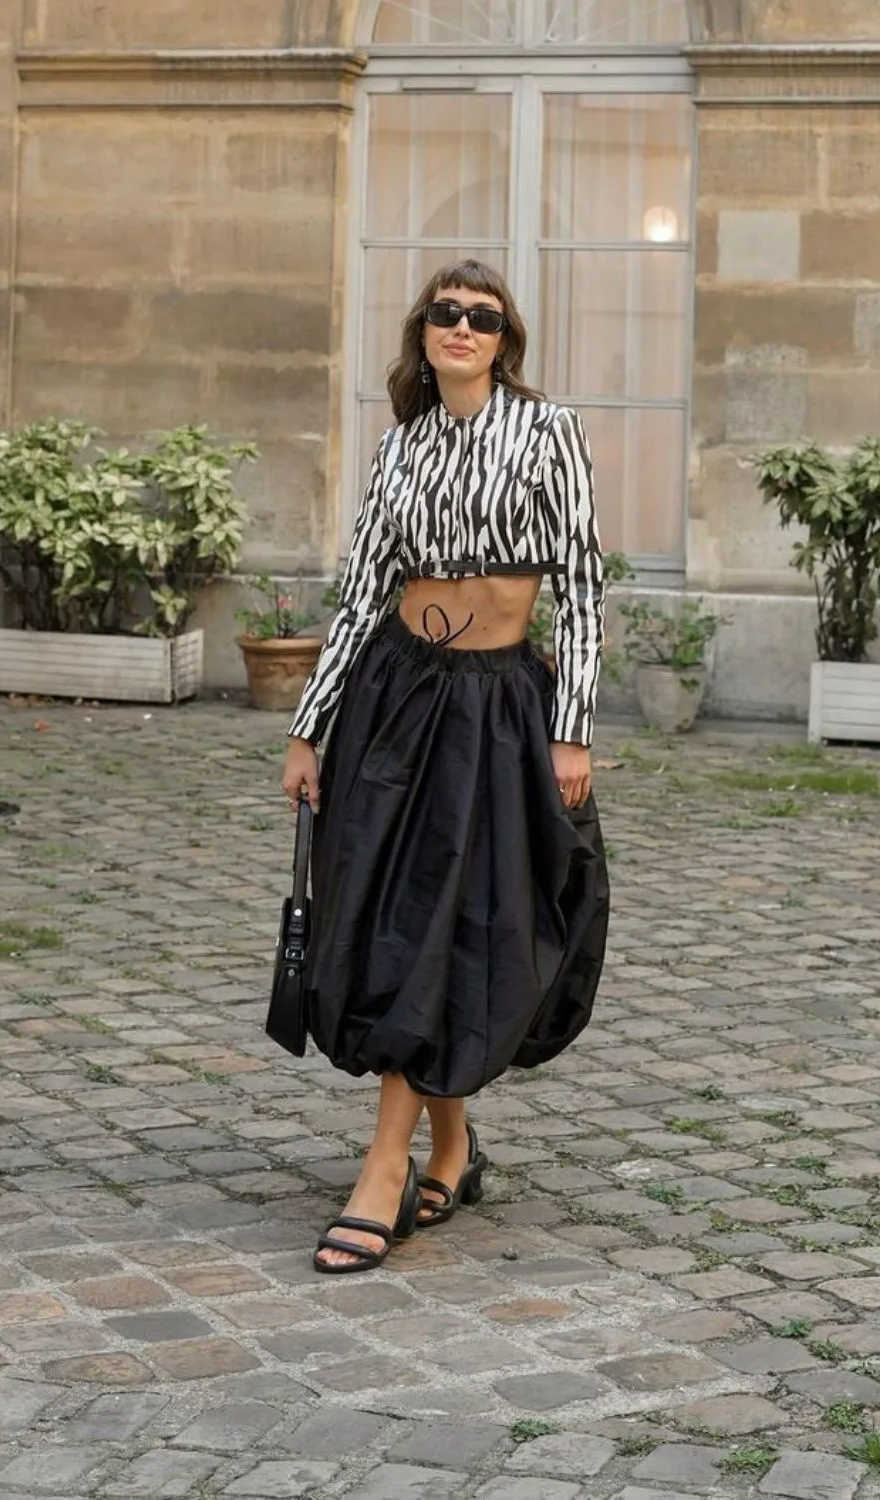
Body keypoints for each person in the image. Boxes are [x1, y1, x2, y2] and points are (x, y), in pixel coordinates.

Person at [281, 259, 609, 1274]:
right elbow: (361, 589)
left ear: (503, 338)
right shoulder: (398, 449)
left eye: (481, 315)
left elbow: (586, 587)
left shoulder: (547, 432)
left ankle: (399, 1160)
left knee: (462, 916)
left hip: (502, 708)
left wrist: (574, 726)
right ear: (422, 333)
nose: (459, 326)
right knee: (401, 914)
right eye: (443, 313)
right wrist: (308, 724)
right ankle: (432, 1149)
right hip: (395, 698)